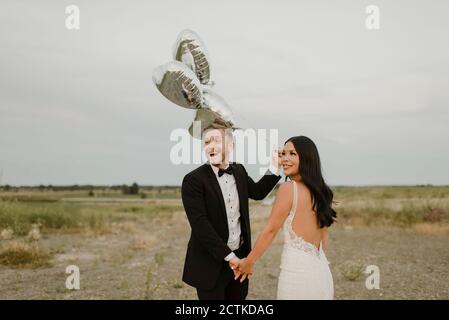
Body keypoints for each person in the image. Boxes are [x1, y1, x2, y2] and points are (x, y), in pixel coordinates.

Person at [181, 124, 281, 300]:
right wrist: (230, 257)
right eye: (206, 142)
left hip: (240, 260)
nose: (210, 146)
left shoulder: (239, 170)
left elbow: (258, 192)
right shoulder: (193, 180)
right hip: (210, 264)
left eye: (216, 140)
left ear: (230, 145)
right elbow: (200, 225)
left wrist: (274, 165)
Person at [235, 136, 337, 299]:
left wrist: (249, 261)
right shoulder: (322, 192)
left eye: (292, 154)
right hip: (321, 272)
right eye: (283, 154)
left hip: (297, 274)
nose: (285, 159)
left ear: (307, 158)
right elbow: (323, 235)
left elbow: (270, 230)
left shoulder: (289, 189)